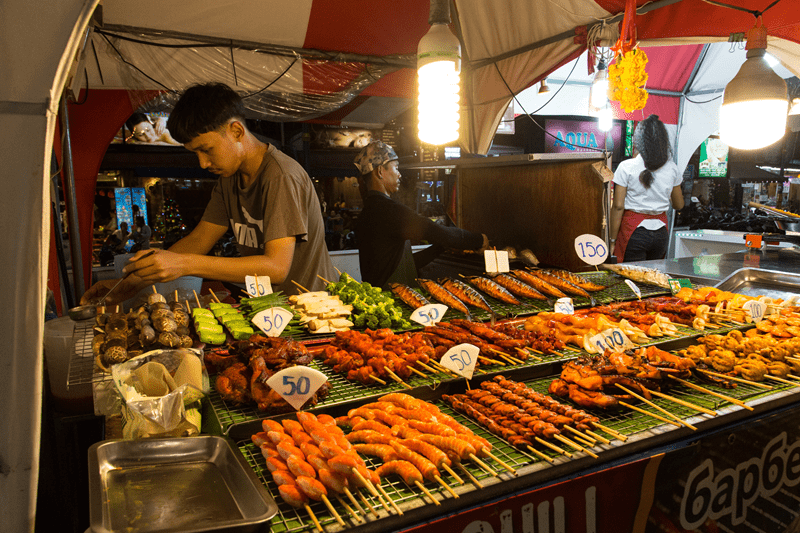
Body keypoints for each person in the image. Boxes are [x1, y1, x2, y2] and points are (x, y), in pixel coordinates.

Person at [81, 82, 336, 306]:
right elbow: (200, 239)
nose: (203, 163)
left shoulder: (280, 175)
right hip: (272, 311)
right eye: (196, 153)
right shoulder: (229, 179)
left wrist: (184, 265)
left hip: (311, 312)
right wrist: (126, 286)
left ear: (236, 131)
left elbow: (276, 268)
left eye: (207, 149)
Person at [354, 141, 489, 288]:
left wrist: (442, 247)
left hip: (383, 296)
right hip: (391, 298)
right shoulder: (388, 210)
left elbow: (404, 265)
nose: (399, 174)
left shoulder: (368, 212)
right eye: (396, 168)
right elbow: (437, 232)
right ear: (380, 171)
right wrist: (478, 239)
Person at [609, 115, 684, 262]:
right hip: (661, 233)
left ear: (638, 141)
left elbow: (618, 206)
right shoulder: (672, 168)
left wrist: (612, 240)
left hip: (633, 231)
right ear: (663, 141)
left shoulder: (626, 167)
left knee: (631, 274)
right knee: (653, 273)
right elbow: (679, 204)